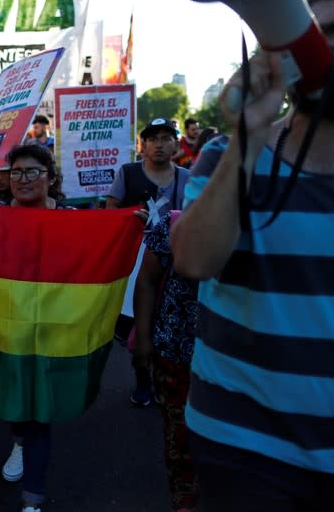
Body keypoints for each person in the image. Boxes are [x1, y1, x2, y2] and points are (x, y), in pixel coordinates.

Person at [171, 0, 334, 511]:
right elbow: (192, 261)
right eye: (329, 33)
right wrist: (248, 137)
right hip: (245, 448)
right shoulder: (223, 155)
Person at [0, 144, 71, 512]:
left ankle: (32, 497)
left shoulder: (72, 219)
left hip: (53, 327)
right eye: (16, 172)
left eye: (33, 172)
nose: (23, 179)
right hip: (8, 328)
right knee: (17, 399)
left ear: (50, 178)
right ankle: (17, 437)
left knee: (41, 409)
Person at [107, 118, 191, 407]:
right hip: (134, 264)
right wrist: (129, 222)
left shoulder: (187, 178)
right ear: (143, 145)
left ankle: (165, 379)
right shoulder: (128, 173)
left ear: (176, 145)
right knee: (137, 323)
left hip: (174, 265)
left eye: (166, 138)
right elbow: (111, 209)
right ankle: (142, 376)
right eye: (153, 138)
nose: (159, 144)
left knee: (169, 321)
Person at [133, 210, 199, 512]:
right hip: (176, 353)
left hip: (241, 360)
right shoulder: (172, 224)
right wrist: (144, 340)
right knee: (180, 436)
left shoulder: (267, 225)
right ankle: (184, 501)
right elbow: (147, 280)